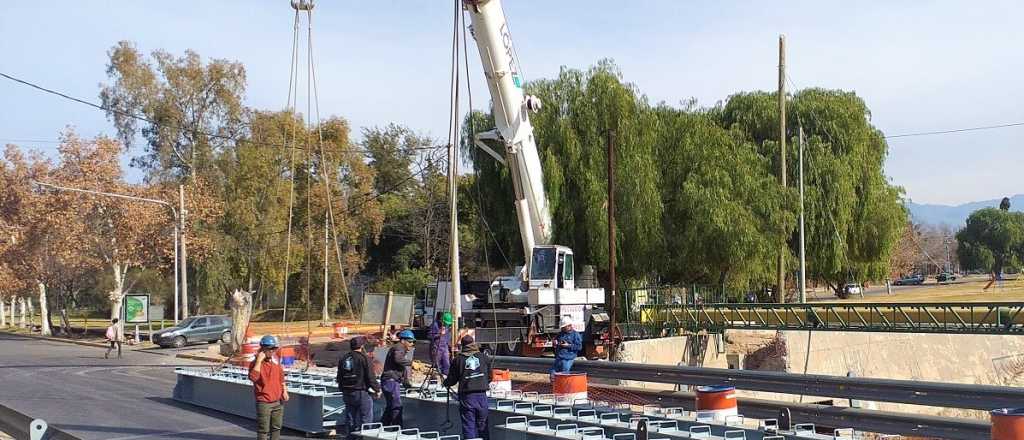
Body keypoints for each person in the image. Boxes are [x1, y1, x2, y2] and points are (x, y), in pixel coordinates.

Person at [444, 335, 492, 440]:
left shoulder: (458, 360)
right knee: (483, 425)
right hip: (482, 396)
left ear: (462, 346)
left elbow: (452, 380)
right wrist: (480, 382)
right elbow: (489, 377)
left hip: (467, 397)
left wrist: (446, 383)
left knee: (469, 426)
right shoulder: (484, 357)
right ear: (474, 343)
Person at [337, 336, 380, 440]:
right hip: (360, 391)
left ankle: (350, 437)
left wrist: (342, 389)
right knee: (366, 417)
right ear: (362, 346)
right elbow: (370, 376)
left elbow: (339, 377)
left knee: (350, 416)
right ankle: (364, 437)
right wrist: (377, 389)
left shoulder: (344, 358)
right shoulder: (364, 358)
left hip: (347, 391)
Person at [248, 335, 289, 440]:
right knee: (263, 429)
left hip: (277, 401)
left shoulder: (275, 361)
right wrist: (258, 361)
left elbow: (281, 377)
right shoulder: (255, 364)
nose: (272, 351)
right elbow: (253, 378)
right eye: (270, 349)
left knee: (277, 427)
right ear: (263, 349)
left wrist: (284, 391)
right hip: (264, 402)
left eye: (274, 349)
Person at [380, 329, 415, 426]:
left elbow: (401, 367)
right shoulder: (399, 347)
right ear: (403, 340)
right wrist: (411, 363)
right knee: (396, 406)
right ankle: (397, 428)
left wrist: (406, 382)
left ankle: (384, 426)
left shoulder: (399, 348)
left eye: (412, 342)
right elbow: (398, 359)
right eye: (410, 341)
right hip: (391, 381)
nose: (411, 344)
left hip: (389, 381)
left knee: (390, 406)